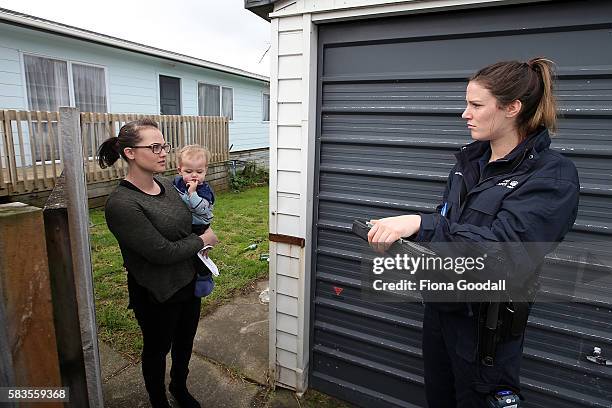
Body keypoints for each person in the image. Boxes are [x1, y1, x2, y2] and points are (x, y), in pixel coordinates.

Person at [367, 58, 580, 407]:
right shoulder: (469, 164)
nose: (465, 114)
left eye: (476, 105)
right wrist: (406, 243)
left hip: (486, 332)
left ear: (513, 107)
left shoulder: (551, 177)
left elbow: (504, 254)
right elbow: (450, 223)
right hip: (441, 309)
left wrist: (423, 224)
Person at [98, 119, 218, 408]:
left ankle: (179, 387)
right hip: (156, 293)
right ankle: (158, 401)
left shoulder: (166, 186)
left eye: (164, 145)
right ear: (130, 153)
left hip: (188, 282)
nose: (163, 152)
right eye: (154, 147)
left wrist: (200, 227)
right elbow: (160, 252)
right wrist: (203, 240)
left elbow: (186, 225)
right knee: (157, 349)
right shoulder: (122, 204)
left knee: (184, 343)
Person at [173, 144, 216, 297]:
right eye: (188, 171)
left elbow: (202, 209)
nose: (194, 176)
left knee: (199, 253)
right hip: (185, 224)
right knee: (184, 254)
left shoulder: (204, 190)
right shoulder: (176, 183)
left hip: (199, 225)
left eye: (199, 171)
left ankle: (204, 278)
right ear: (179, 171)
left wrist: (192, 193)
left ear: (205, 171)